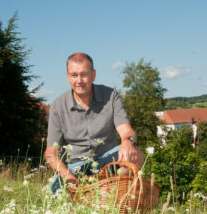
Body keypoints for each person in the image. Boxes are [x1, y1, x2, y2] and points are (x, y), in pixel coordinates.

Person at [44, 52, 143, 193]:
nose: (79, 80)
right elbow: (50, 153)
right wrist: (68, 176)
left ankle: (121, 199)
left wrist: (128, 141)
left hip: (107, 160)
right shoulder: (58, 105)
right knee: (54, 191)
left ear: (93, 75)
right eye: (74, 75)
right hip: (75, 166)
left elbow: (127, 130)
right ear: (68, 77)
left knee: (135, 153)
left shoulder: (110, 96)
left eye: (84, 74)